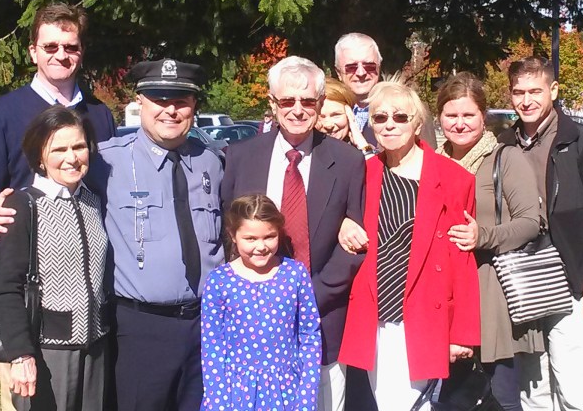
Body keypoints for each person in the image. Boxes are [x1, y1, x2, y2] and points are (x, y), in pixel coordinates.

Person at [0, 59, 224, 410]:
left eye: (181, 100)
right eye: (159, 98)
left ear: (194, 106)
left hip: (207, 324)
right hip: (140, 327)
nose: (170, 109)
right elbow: (55, 178)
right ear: (140, 102)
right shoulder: (107, 162)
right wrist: (5, 203)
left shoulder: (215, 162)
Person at [0, 3, 115, 411]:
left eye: (70, 46)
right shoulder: (2, 114)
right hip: (28, 305)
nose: (60, 54)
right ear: (33, 51)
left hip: (89, 309)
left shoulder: (100, 116)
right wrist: (0, 304)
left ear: (81, 51)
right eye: (50, 46)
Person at [220, 56, 365, 411]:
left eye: (307, 101)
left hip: (321, 313)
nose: (297, 110)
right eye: (287, 101)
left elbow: (355, 244)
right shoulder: (240, 156)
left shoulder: (347, 162)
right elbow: (229, 230)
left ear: (319, 104)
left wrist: (306, 295)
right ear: (272, 103)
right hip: (251, 317)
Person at [337, 81, 480, 410]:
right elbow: (339, 218)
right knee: (386, 401)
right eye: (380, 117)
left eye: (400, 117)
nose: (389, 124)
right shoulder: (362, 173)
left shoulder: (455, 179)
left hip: (423, 316)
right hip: (373, 314)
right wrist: (344, 224)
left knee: (406, 404)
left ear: (417, 123)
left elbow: (462, 262)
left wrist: (461, 333)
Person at [499, 57, 583, 410]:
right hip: (521, 281)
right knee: (533, 386)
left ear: (553, 91)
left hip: (570, 279)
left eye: (535, 91)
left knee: (576, 386)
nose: (526, 100)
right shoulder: (503, 145)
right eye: (518, 92)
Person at [435, 73, 543, 411]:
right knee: (450, 398)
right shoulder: (430, 163)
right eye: (452, 115)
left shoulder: (504, 159)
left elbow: (530, 222)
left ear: (484, 116)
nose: (460, 123)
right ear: (439, 118)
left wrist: (483, 236)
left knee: (499, 396)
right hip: (442, 296)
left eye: (469, 115)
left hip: (490, 292)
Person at [0, 106, 110, 411]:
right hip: (47, 353)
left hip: (96, 347)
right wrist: (21, 355)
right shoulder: (23, 206)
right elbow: (7, 288)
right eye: (59, 149)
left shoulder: (93, 200)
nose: (71, 158)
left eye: (79, 146)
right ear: (40, 156)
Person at [201, 194, 321, 410]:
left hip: (286, 394)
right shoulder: (219, 281)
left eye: (269, 236)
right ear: (233, 235)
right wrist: (217, 401)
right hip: (235, 395)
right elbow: (213, 347)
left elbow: (310, 337)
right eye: (250, 239)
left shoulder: (294, 274)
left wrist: (306, 398)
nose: (261, 246)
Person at [334, 33, 437, 149]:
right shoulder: (326, 112)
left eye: (369, 66)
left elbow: (429, 160)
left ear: (379, 67)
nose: (361, 73)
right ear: (338, 73)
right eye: (351, 67)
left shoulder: (412, 107)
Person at [315, 78, 374, 156]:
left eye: (336, 115)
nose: (328, 125)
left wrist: (363, 146)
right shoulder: (304, 153)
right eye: (321, 117)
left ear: (349, 114)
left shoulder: (363, 149)